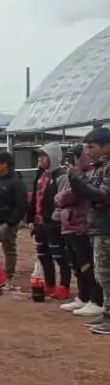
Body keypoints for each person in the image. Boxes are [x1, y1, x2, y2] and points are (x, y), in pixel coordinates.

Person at [66, 127, 110, 335]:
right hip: (100, 227)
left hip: (106, 227)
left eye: (91, 147)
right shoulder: (101, 167)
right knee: (103, 275)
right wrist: (76, 179)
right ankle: (107, 314)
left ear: (106, 146)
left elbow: (100, 196)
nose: (88, 152)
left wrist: (77, 177)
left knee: (106, 275)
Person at [54, 145, 105, 318]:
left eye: (76, 157)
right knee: (77, 265)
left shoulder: (88, 175)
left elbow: (69, 195)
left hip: (81, 226)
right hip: (70, 226)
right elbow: (62, 195)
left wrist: (60, 197)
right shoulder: (76, 175)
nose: (72, 161)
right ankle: (84, 297)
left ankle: (96, 300)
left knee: (88, 266)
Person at [29, 143, 71, 300]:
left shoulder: (62, 176)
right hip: (40, 223)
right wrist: (32, 218)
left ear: (52, 157)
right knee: (43, 254)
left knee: (59, 255)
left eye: (43, 155)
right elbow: (36, 197)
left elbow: (64, 198)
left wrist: (54, 218)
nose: (39, 158)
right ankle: (50, 284)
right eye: (39, 155)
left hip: (54, 224)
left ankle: (64, 286)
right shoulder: (40, 175)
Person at [0, 152, 28, 290]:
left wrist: (10, 224)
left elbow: (22, 205)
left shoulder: (16, 182)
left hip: (6, 225)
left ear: (5, 164)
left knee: (9, 251)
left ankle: (8, 279)